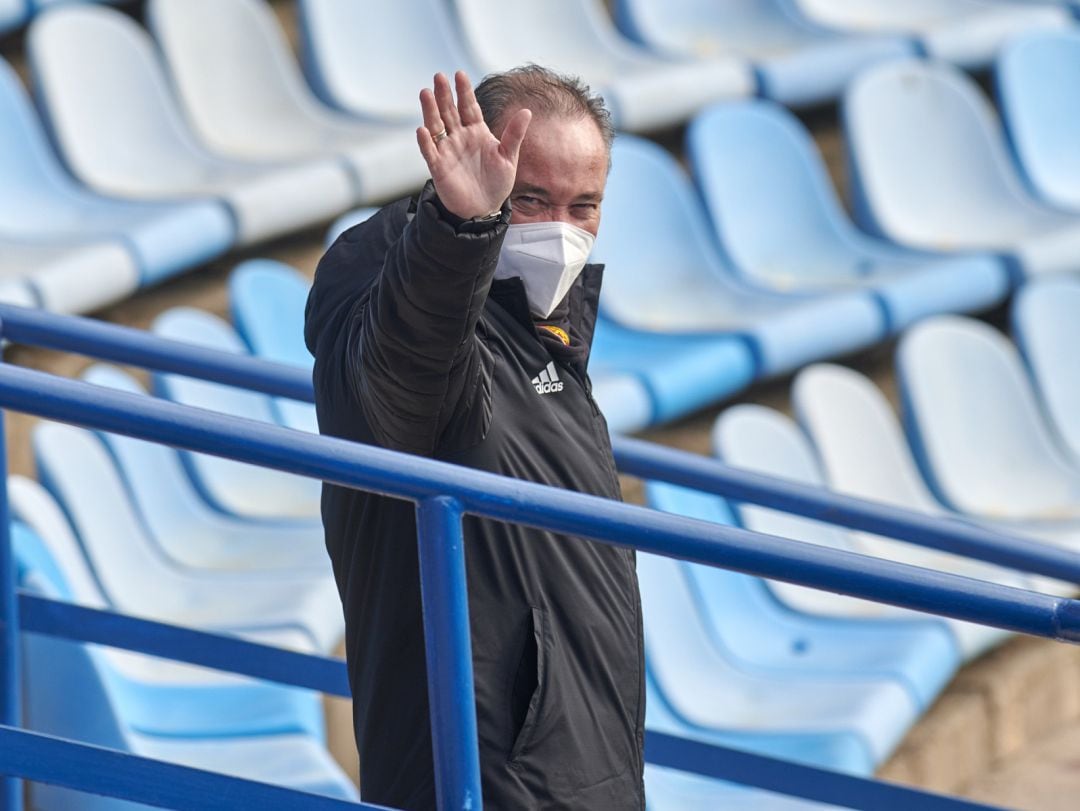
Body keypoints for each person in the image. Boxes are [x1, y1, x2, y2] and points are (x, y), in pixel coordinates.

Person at [304, 66, 645, 810]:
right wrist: (462, 228)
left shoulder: (539, 317)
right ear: (465, 169)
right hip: (483, 776)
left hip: (580, 757)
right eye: (531, 198)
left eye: (583, 206)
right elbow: (405, 383)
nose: (561, 228)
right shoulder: (398, 282)